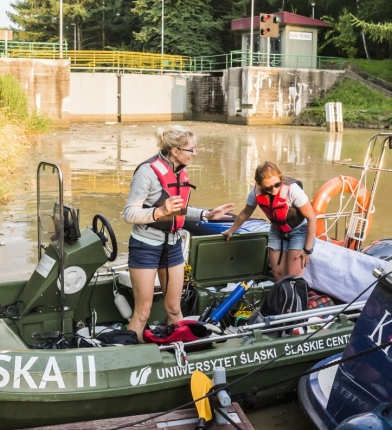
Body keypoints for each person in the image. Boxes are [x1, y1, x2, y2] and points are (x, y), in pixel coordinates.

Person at [123, 126, 233, 341]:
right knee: (143, 312)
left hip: (172, 245)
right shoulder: (147, 172)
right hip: (145, 246)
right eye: (191, 149)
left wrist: (207, 214)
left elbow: (179, 211)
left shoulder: (180, 172)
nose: (195, 153)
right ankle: (132, 358)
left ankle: (180, 355)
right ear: (175, 150)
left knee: (174, 309)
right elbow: (129, 213)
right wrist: (160, 211)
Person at [222, 161, 318, 280]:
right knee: (277, 273)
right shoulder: (255, 193)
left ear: (280, 178)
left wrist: (307, 250)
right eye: (268, 188)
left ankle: (293, 298)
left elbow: (311, 218)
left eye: (277, 185)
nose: (274, 190)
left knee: (292, 277)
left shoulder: (293, 190)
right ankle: (280, 298)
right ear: (259, 185)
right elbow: (245, 213)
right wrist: (231, 231)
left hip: (299, 231)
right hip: (277, 231)